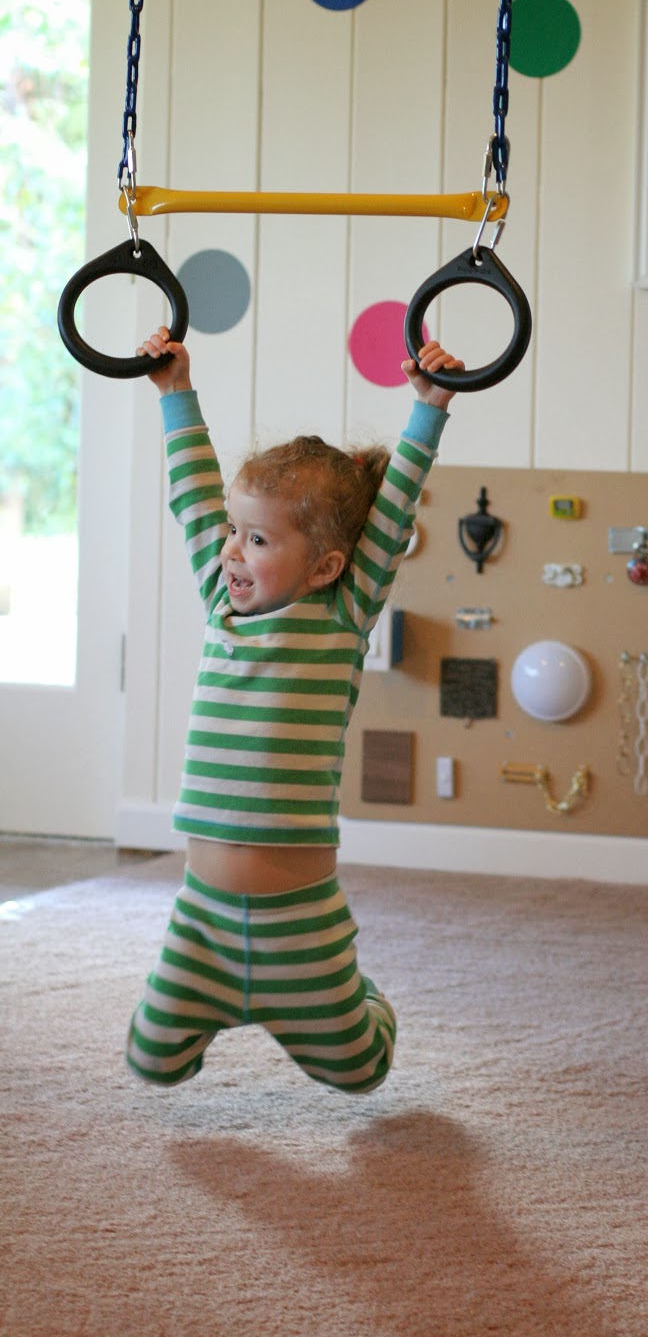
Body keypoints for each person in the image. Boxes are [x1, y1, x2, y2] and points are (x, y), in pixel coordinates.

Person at [126, 326, 464, 1093]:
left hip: (300, 924)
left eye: (255, 539)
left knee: (359, 1072)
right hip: (201, 922)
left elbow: (396, 501)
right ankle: (217, 1007)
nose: (232, 552)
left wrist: (431, 406)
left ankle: (368, 1006)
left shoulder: (342, 616)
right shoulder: (224, 607)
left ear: (327, 566)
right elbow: (191, 496)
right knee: (151, 1061)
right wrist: (175, 392)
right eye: (233, 533)